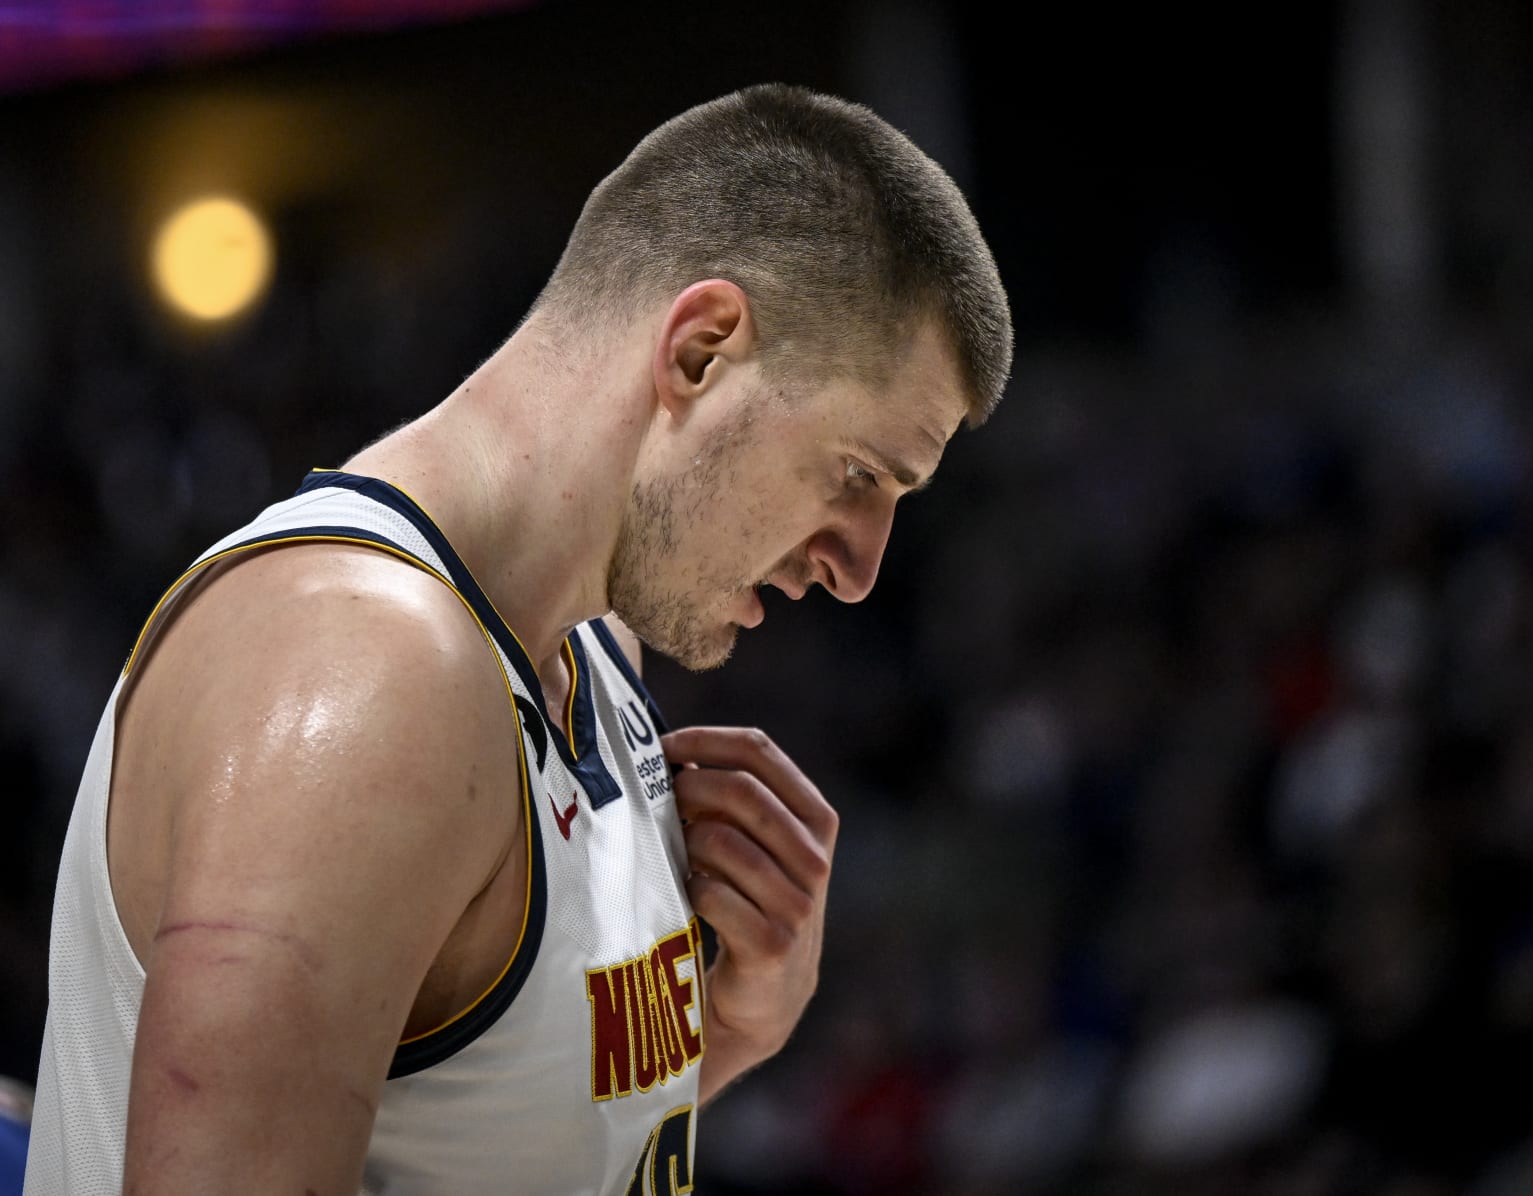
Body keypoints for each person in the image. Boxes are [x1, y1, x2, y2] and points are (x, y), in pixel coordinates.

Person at [24, 83, 1011, 1195]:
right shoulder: (360, 681)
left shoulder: (596, 650)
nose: (859, 565)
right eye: (858, 474)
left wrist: (726, 1036)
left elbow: (478, 1140)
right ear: (700, 351)